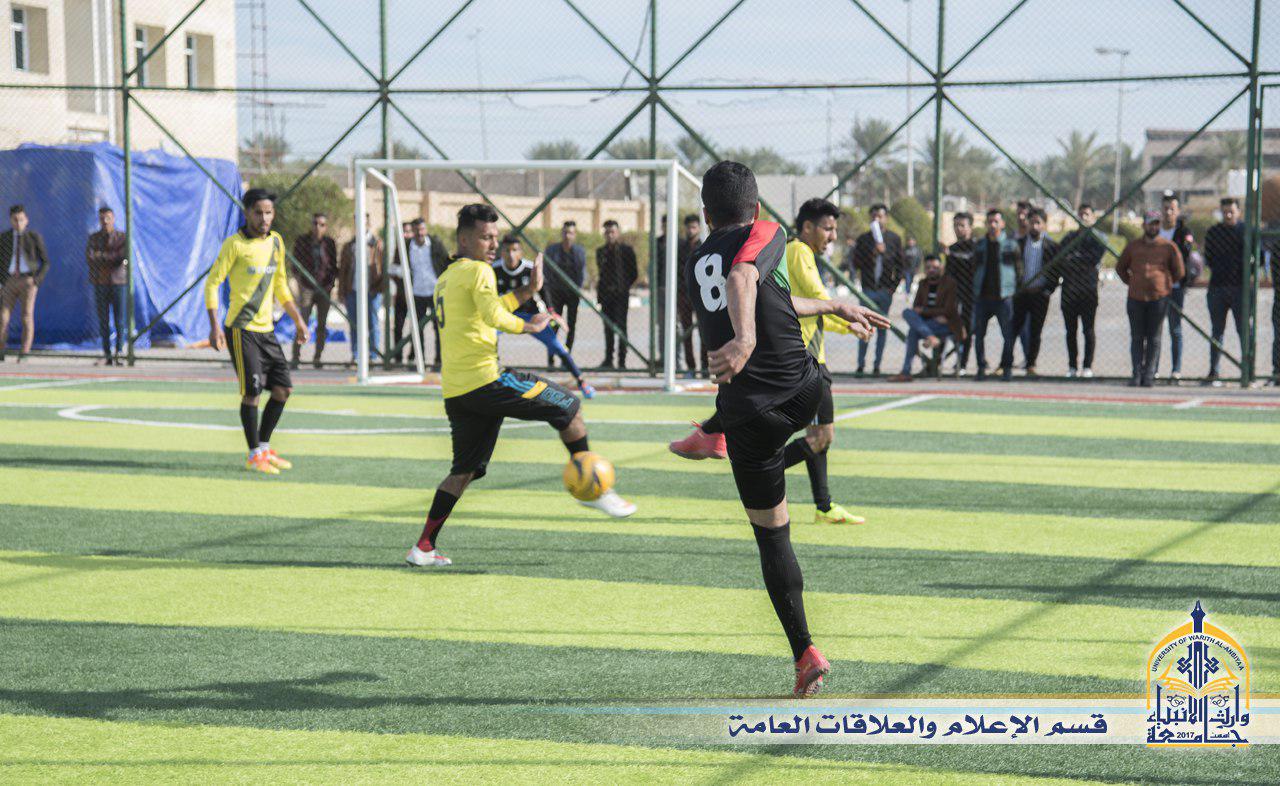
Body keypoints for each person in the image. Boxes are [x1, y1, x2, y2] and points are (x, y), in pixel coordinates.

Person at [679, 161, 887, 697]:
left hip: (748, 418)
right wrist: (747, 340)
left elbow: (755, 287)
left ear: (706, 215)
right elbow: (745, 279)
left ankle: (804, 652)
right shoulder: (767, 231)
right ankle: (718, 432)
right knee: (806, 411)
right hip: (801, 392)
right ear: (755, 208)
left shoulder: (695, 259)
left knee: (773, 538)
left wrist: (833, 305)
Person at [406, 204, 635, 569]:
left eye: (495, 237)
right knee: (569, 406)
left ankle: (424, 546)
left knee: (463, 471)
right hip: (487, 381)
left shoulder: (449, 276)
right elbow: (493, 315)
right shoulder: (479, 270)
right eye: (485, 237)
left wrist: (528, 290)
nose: (493, 244)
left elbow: (490, 306)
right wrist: (530, 325)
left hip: (457, 392)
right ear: (464, 239)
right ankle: (594, 488)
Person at [669, 197, 870, 526]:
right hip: (801, 360)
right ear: (808, 227)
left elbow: (790, 302)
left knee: (820, 436)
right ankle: (753, 468)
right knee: (820, 437)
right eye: (827, 228)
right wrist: (846, 322)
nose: (832, 236)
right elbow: (813, 300)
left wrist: (843, 320)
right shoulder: (797, 250)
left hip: (799, 357)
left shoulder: (785, 250)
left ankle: (821, 503)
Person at [203, 188, 309, 475]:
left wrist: (298, 320)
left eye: (269, 212)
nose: (264, 218)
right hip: (242, 329)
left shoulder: (276, 242)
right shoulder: (234, 245)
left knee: (283, 390)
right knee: (252, 392)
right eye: (259, 213)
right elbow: (213, 283)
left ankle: (264, 447)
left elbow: (281, 285)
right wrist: (215, 326)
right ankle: (253, 455)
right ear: (247, 213)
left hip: (267, 331)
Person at [494, 234, 595, 398]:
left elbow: (544, 290)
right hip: (504, 315)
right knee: (487, 336)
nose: (511, 255)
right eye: (507, 250)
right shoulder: (493, 269)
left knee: (557, 346)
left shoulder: (529, 268)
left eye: (514, 250)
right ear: (502, 252)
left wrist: (551, 311)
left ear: (520, 252)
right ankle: (490, 376)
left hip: (530, 316)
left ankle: (581, 381)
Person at [1116, 210, 1185, 387]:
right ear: (1143, 225)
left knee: (1154, 338)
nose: (1153, 227)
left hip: (1158, 298)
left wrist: (1164, 285)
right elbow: (1120, 268)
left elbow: (1179, 271)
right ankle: (1136, 373)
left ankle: (1149, 374)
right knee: (1137, 337)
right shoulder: (1133, 246)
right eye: (1150, 223)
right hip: (1136, 298)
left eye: (1156, 224)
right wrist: (1132, 282)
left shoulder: (1168, 247)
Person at [890, 254, 965, 381]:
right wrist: (932, 314)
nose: (931, 270)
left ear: (941, 267)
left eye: (935, 267)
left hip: (946, 324)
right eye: (928, 267)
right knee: (907, 313)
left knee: (913, 331)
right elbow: (916, 307)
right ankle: (929, 338)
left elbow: (948, 310)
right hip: (928, 323)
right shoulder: (923, 283)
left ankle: (906, 370)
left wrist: (925, 311)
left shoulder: (949, 283)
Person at [849, 203, 903, 376]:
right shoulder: (863, 239)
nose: (877, 219)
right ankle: (860, 364)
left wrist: (892, 288)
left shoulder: (894, 239)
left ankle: (877, 365)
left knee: (882, 329)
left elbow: (900, 265)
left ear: (886, 218)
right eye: (873, 216)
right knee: (864, 326)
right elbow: (856, 263)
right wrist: (872, 252)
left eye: (880, 216)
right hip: (868, 289)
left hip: (885, 290)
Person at [389, 217, 448, 368]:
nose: (420, 233)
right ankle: (419, 360)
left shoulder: (435, 244)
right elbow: (394, 267)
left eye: (422, 229)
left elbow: (446, 263)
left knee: (439, 328)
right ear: (413, 231)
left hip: (435, 291)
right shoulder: (406, 246)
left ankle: (439, 360)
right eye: (417, 230)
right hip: (416, 293)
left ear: (425, 229)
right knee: (417, 328)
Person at [1056, 204, 1107, 378]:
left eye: (1087, 214)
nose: (1083, 217)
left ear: (1093, 217)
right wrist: (1076, 260)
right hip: (1069, 290)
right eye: (1080, 214)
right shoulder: (1070, 237)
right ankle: (1072, 366)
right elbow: (1061, 258)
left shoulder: (1097, 238)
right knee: (1070, 331)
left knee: (1088, 330)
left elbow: (1094, 258)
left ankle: (1087, 366)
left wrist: (1075, 258)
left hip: (1088, 291)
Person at [971, 209, 1022, 381]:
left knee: (1008, 334)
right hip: (983, 297)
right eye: (990, 222)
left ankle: (1006, 367)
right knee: (979, 335)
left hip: (1004, 297)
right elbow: (974, 267)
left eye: (996, 221)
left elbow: (1018, 269)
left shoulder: (1011, 245)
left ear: (1002, 224)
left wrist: (1013, 289)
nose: (993, 225)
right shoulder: (980, 245)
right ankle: (981, 367)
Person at [1007, 208, 1058, 377]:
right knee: (1014, 328)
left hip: (1040, 294)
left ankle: (1031, 364)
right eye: (1032, 222)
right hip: (1021, 294)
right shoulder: (1019, 244)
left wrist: (1048, 290)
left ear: (1044, 225)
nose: (1034, 226)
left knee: (1035, 331)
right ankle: (1006, 363)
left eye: (1038, 223)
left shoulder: (1051, 246)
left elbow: (1056, 271)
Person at [659, 213, 707, 377]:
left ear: (699, 228)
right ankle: (691, 367)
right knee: (686, 332)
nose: (691, 230)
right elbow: (677, 271)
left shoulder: (704, 246)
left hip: (701, 295)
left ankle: (705, 367)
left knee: (704, 332)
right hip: (684, 295)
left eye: (694, 227)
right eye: (688, 227)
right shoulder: (680, 247)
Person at [0, 204, 50, 361]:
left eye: (21, 219)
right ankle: (1, 350)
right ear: (11, 220)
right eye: (15, 220)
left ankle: (24, 352)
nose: (18, 223)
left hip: (28, 281)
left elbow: (45, 262)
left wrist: (36, 281)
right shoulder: (5, 238)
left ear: (26, 220)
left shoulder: (33, 237)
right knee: (3, 317)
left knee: (26, 316)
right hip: (9, 281)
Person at [1204, 197, 1245, 386]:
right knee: (1217, 331)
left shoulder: (1246, 231)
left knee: (1243, 331)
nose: (1228, 215)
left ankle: (1247, 371)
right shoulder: (1214, 232)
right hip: (1217, 288)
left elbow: (1259, 259)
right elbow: (1209, 258)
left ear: (1238, 212)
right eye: (1225, 212)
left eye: (1231, 212)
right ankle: (1214, 372)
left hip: (1240, 289)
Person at [290, 212, 338, 368]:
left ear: (326, 227)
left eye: (322, 224)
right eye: (315, 223)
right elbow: (295, 265)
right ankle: (295, 356)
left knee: (321, 325)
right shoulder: (302, 241)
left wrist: (330, 285)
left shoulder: (329, 243)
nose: (318, 227)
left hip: (324, 289)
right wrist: (300, 284)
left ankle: (317, 357)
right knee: (302, 321)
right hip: (307, 288)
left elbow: (333, 266)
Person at [1158, 192, 1196, 380]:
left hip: (1176, 287)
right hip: (1156, 288)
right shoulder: (1155, 230)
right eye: (1165, 208)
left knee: (1175, 329)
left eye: (1172, 209)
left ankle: (1176, 370)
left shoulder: (1183, 232)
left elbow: (1185, 253)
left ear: (1178, 211)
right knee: (1155, 330)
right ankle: (1153, 369)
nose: (1168, 212)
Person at [337, 217, 384, 364]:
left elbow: (383, 268)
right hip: (353, 290)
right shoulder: (350, 246)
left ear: (368, 224)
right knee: (354, 325)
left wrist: (379, 287)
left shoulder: (377, 244)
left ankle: (373, 355)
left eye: (363, 222)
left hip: (372, 291)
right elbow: (343, 270)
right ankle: (356, 355)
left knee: (372, 323)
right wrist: (341, 291)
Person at [85, 206, 127, 365]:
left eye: (108, 218)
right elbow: (90, 258)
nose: (105, 221)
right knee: (103, 320)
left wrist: (101, 256)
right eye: (102, 218)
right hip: (100, 282)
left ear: (113, 219)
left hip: (118, 282)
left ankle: (119, 352)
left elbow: (121, 257)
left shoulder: (122, 237)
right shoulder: (94, 238)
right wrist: (109, 257)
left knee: (119, 319)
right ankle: (107, 353)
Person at [542, 221, 586, 365]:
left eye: (571, 233)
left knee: (571, 325)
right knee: (553, 325)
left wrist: (577, 289)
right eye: (565, 232)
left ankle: (566, 357)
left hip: (572, 293)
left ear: (575, 235)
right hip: (556, 293)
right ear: (562, 233)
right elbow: (547, 272)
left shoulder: (579, 252)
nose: (568, 236)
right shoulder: (552, 250)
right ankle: (551, 357)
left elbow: (581, 274)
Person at [596, 219, 638, 369]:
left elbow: (633, 273)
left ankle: (622, 361)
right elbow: (601, 273)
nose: (610, 235)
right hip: (606, 295)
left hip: (621, 295)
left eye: (612, 232)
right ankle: (609, 359)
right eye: (607, 232)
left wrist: (623, 286)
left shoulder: (626, 251)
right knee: (608, 328)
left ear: (618, 233)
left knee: (621, 328)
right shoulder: (601, 252)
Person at [942, 212, 977, 375]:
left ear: (970, 227)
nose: (958, 229)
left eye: (962, 225)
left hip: (973, 294)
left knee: (970, 328)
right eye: (956, 225)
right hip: (956, 294)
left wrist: (952, 256)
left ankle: (964, 364)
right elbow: (949, 273)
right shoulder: (952, 249)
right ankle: (950, 361)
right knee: (953, 326)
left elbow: (971, 263)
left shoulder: (976, 246)